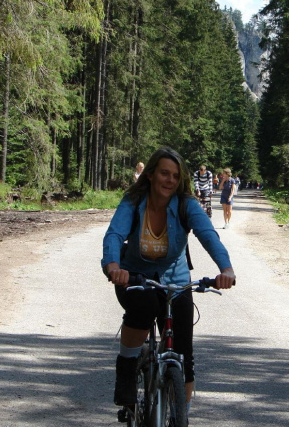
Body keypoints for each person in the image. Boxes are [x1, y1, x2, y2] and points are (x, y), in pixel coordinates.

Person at [102, 147, 236, 417]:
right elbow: (115, 234)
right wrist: (114, 266)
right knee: (144, 305)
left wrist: (226, 269)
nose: (170, 180)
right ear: (150, 175)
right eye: (164, 173)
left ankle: (180, 415)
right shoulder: (133, 201)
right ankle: (127, 369)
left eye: (175, 176)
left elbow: (208, 235)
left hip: (176, 281)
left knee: (184, 354)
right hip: (134, 277)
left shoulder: (186, 205)